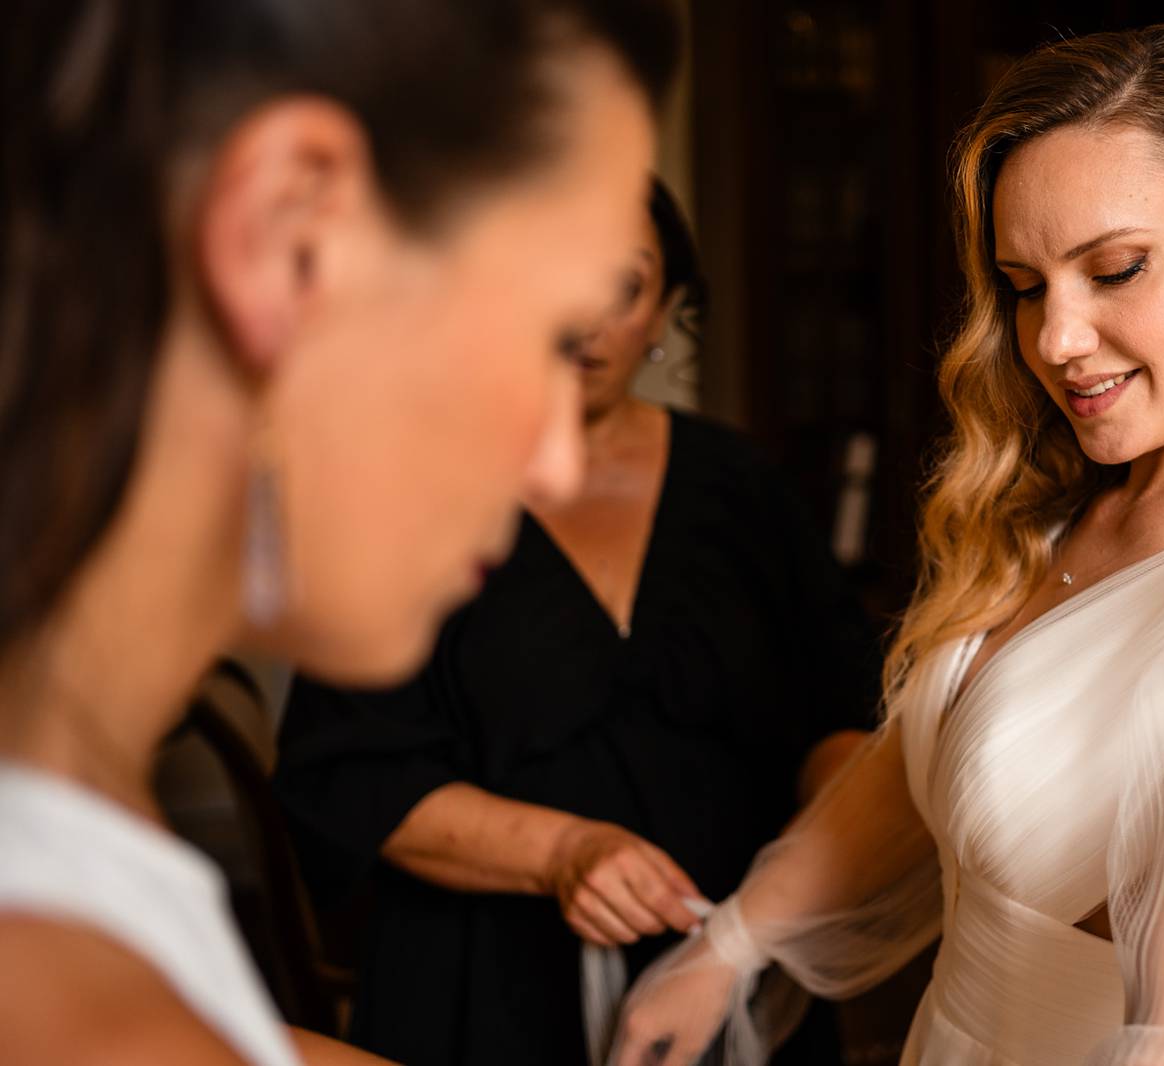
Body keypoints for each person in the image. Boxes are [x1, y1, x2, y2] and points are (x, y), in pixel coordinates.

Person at [607, 24, 1164, 1066]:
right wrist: (725, 943)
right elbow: (913, 774)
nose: (1055, 339)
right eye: (1026, 284)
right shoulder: (1062, 511)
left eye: (1117, 268)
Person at [0, 2, 676, 1063]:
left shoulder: (65, 779)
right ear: (288, 238)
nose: (553, 460)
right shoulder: (78, 1003)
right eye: (549, 329)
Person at [271, 177, 877, 1066]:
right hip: (483, 991)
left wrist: (796, 873)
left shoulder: (744, 488)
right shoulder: (409, 494)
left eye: (621, 283)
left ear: (667, 305)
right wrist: (562, 851)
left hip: (732, 974)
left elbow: (844, 713)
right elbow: (349, 771)